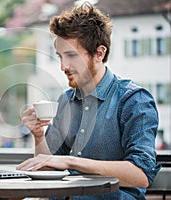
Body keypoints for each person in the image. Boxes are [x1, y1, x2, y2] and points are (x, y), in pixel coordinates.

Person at [17, 3, 161, 199]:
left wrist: (71, 162)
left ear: (99, 53)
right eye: (60, 56)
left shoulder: (134, 100)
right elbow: (48, 166)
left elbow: (141, 175)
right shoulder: (66, 101)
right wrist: (38, 136)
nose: (63, 66)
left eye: (71, 56)